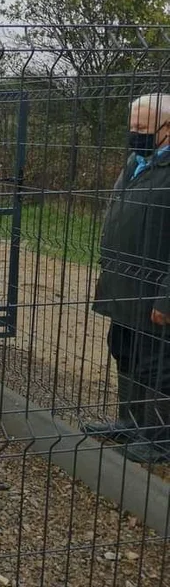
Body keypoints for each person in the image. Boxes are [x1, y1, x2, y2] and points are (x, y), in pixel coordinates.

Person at [88, 93, 170, 464]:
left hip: (154, 290)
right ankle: (130, 421)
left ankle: (159, 439)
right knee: (124, 351)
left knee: (157, 362)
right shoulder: (137, 162)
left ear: (166, 129)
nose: (134, 134)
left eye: (142, 128)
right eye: (131, 127)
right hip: (123, 285)